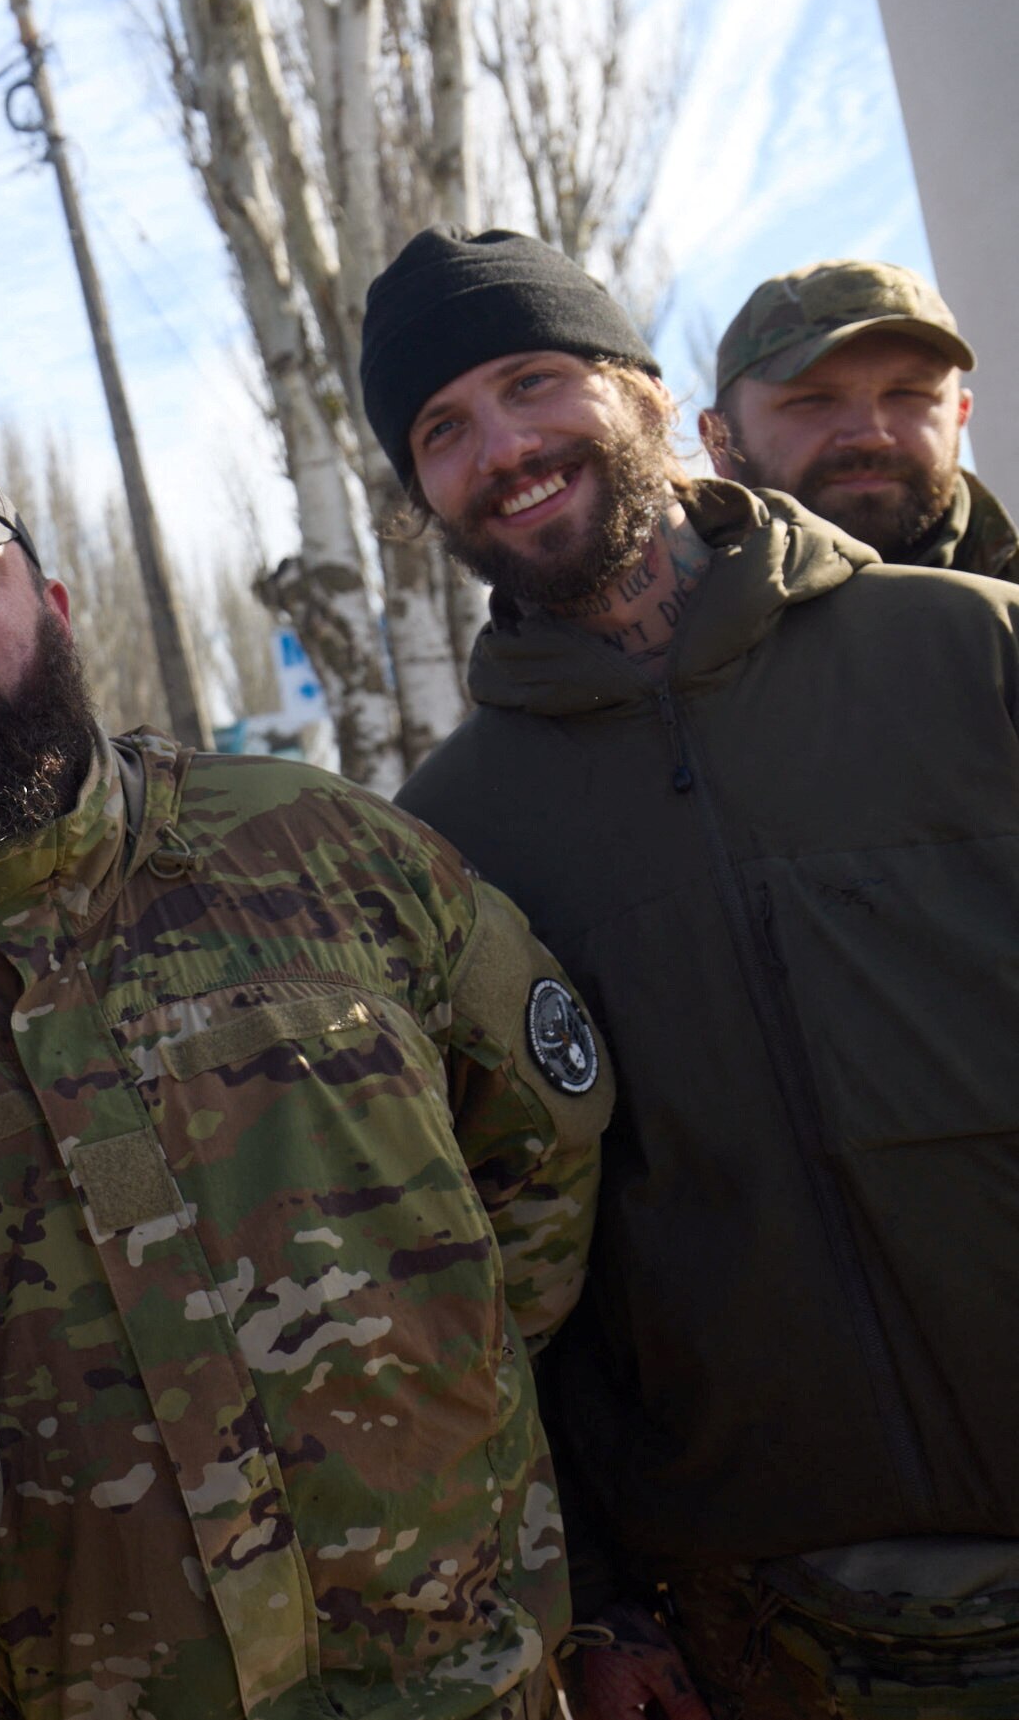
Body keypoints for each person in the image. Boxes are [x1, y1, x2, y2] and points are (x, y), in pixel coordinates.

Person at [0, 443, 614, 1720]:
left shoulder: (325, 846)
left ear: (55, 611)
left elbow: (548, 1146)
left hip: (461, 1684)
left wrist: (458, 1393)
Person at [368, 225, 1019, 1718]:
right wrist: (598, 1600)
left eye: (534, 382)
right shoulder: (441, 840)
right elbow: (485, 1260)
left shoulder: (969, 653)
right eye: (443, 430)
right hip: (771, 1624)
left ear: (649, 393)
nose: (504, 449)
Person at [699, 258, 1015, 581]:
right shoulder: (679, 608)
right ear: (720, 440)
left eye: (906, 394)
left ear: (960, 414)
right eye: (813, 400)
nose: (870, 435)